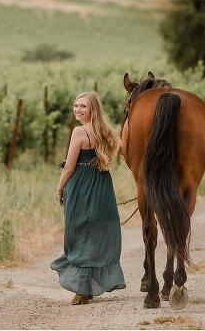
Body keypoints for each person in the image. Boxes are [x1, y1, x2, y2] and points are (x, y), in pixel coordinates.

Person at [50, 91, 126, 305]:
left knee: (79, 232)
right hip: (102, 184)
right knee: (95, 232)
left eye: (83, 106)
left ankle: (83, 289)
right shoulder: (107, 131)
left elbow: (69, 167)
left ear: (93, 109)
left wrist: (59, 189)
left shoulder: (79, 132)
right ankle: (88, 286)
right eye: (76, 105)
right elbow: (127, 151)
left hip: (80, 185)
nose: (77, 110)